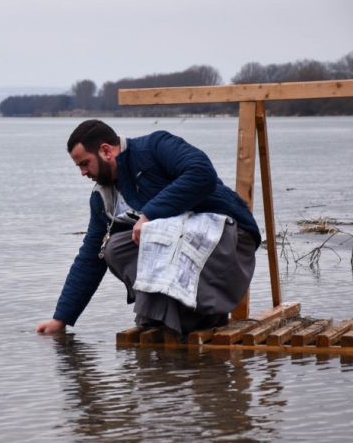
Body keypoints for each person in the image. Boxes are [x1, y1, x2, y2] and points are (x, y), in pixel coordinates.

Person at [36, 119, 261, 336]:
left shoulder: (154, 146)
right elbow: (90, 258)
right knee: (113, 247)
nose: (83, 172)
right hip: (184, 243)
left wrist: (150, 214)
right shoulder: (102, 199)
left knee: (155, 231)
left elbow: (202, 173)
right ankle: (168, 318)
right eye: (79, 166)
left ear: (106, 151)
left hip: (231, 238)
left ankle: (197, 314)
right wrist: (61, 318)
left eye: (84, 163)